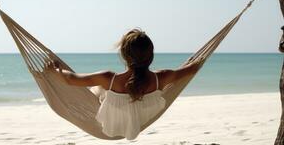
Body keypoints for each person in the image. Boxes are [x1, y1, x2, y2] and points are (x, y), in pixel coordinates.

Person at [45, 28, 203, 140]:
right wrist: (199, 60)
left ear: (124, 55)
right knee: (104, 88)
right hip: (138, 121)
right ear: (151, 55)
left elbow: (70, 79)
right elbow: (191, 69)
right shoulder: (162, 77)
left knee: (99, 88)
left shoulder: (108, 78)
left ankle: (98, 94)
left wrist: (54, 69)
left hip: (109, 126)